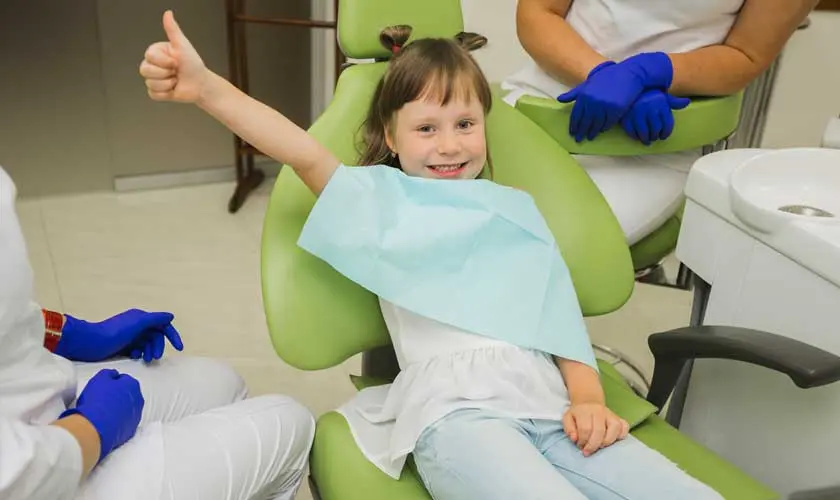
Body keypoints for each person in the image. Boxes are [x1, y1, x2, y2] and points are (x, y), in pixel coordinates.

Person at [138, 10, 723, 499]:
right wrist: (207, 88)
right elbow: (300, 150)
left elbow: (559, 322)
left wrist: (590, 400)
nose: (449, 144)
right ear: (391, 139)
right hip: (457, 415)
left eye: (465, 122)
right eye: (426, 129)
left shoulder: (514, 208)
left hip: (548, 403)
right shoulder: (379, 200)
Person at [0, 173, 315, 496]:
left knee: (226, 384)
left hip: (32, 393)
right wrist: (94, 426)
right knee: (292, 423)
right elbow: (16, 473)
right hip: (39, 474)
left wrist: (68, 334)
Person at [501, 0, 816, 247]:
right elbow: (538, 12)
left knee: (537, 248)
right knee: (464, 218)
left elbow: (747, 54)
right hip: (540, 105)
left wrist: (656, 71)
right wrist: (602, 74)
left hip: (652, 143)